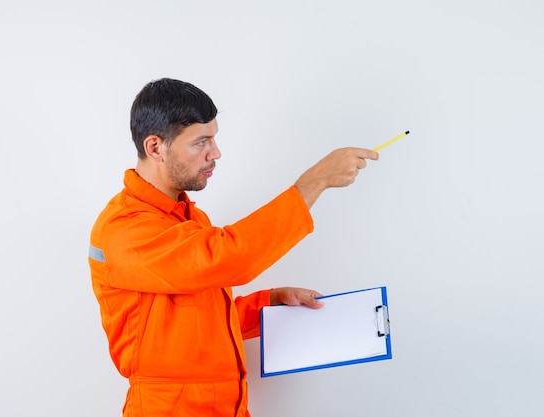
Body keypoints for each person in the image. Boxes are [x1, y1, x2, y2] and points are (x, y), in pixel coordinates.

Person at [88, 78, 378, 417]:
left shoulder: (189, 220)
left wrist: (268, 303)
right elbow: (226, 257)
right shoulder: (126, 228)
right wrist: (314, 182)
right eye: (201, 142)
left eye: (214, 138)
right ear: (155, 148)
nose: (216, 152)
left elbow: (197, 322)